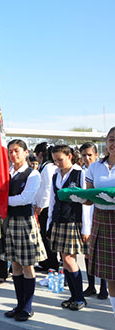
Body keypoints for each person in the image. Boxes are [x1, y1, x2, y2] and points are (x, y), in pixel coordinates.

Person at [0, 139, 47, 322]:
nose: (13, 155)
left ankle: (27, 306)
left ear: (26, 152)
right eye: (10, 151)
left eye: (17, 151)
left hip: (25, 222)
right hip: (10, 221)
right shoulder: (7, 173)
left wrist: (3, 201)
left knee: (27, 265)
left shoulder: (32, 174)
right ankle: (19, 304)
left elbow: (25, 198)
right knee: (15, 265)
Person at [48, 145, 91, 311]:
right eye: (55, 160)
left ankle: (79, 297)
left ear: (70, 156)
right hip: (58, 221)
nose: (57, 163)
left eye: (60, 159)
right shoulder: (55, 175)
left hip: (73, 221)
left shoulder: (80, 173)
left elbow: (87, 201)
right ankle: (73, 295)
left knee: (69, 259)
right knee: (64, 260)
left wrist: (86, 227)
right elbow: (52, 200)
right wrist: (49, 223)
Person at [79, 126, 115, 316]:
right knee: (111, 276)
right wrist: (79, 197)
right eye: (111, 139)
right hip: (102, 218)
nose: (113, 144)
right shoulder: (95, 167)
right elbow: (88, 197)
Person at [79, 142, 108, 300]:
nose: (87, 158)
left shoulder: (99, 170)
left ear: (96, 155)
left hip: (97, 217)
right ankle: (91, 285)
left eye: (90, 155)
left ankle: (104, 287)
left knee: (102, 255)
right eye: (84, 155)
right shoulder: (81, 172)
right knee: (88, 254)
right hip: (85, 219)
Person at [34, 142, 59, 272]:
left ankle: (52, 263)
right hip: (42, 206)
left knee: (48, 235)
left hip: (47, 207)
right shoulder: (44, 167)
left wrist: (41, 205)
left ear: (41, 154)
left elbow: (48, 189)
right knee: (43, 235)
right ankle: (45, 262)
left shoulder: (49, 168)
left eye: (37, 155)